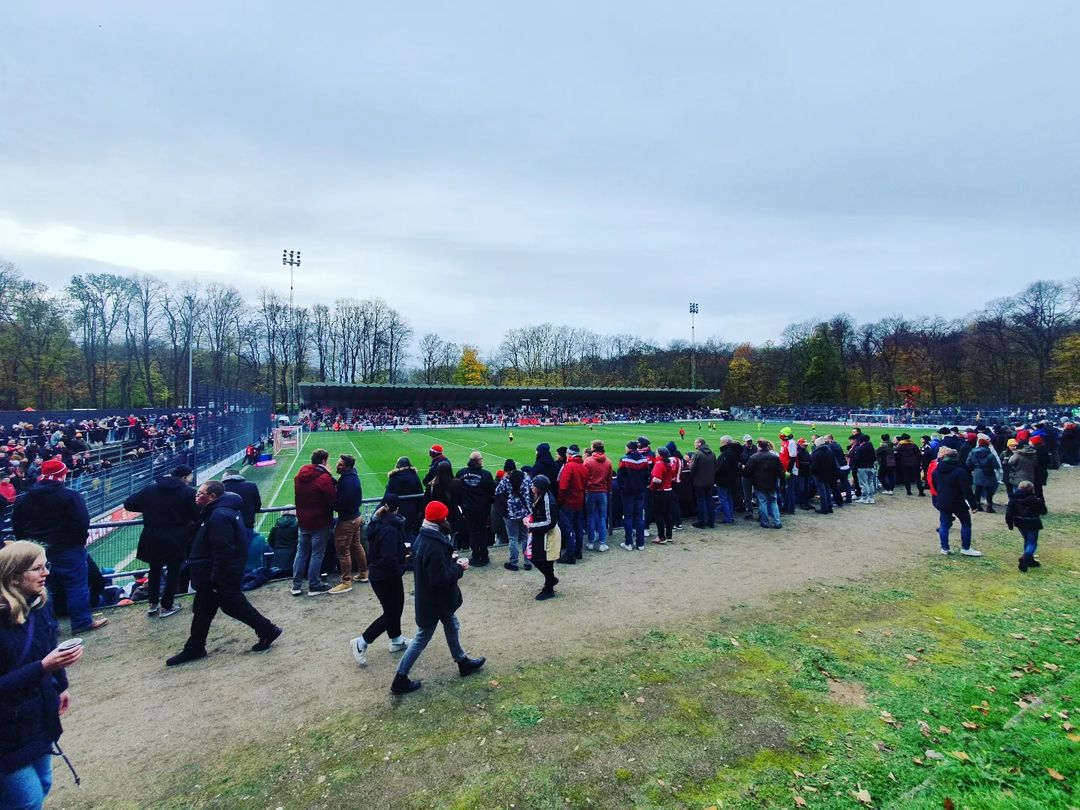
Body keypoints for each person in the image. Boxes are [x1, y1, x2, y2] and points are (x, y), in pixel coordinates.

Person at [0, 541, 82, 809]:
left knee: (43, 783)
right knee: (28, 800)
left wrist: (61, 686)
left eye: (46, 565)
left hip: (37, 716)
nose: (46, 573)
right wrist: (42, 668)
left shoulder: (39, 606)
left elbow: (48, 648)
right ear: (13, 577)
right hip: (6, 734)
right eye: (37, 568)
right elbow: (42, 662)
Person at [166, 481, 282, 666]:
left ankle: (267, 629)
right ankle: (195, 646)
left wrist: (216, 576)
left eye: (200, 494)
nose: (196, 496)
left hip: (219, 572)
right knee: (204, 609)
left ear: (212, 496)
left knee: (232, 605)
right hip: (215, 571)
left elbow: (223, 549)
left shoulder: (219, 515)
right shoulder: (221, 511)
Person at [391, 501, 485, 695]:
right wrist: (459, 567)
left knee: (452, 625)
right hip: (434, 600)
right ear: (441, 519)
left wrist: (450, 561)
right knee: (422, 637)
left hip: (433, 598)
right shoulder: (432, 543)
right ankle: (400, 678)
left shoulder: (424, 537)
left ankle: (462, 661)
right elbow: (439, 578)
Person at [11, 459, 106, 635]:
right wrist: (77, 542)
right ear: (61, 475)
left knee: (44, 589)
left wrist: (30, 547)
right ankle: (81, 622)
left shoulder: (24, 499)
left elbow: (18, 526)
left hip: (37, 552)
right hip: (67, 549)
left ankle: (49, 627)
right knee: (76, 585)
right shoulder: (69, 496)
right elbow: (81, 522)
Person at [123, 464, 198, 618]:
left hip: (152, 535)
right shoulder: (188, 492)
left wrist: (150, 509)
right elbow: (196, 514)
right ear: (184, 477)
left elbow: (129, 503)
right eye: (190, 476)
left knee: (154, 570)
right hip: (176, 537)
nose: (191, 479)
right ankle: (167, 605)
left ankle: (152, 604)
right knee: (173, 571)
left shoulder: (151, 489)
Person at [349, 495, 411, 665]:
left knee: (394, 608)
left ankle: (396, 639)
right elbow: (389, 557)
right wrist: (401, 567)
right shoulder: (389, 529)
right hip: (386, 575)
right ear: (396, 509)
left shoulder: (376, 524)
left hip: (381, 574)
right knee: (392, 612)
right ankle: (362, 642)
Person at [291, 449, 337, 597]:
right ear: (324, 461)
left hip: (303, 520)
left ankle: (296, 585)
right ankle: (314, 584)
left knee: (301, 552)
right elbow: (332, 499)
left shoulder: (299, 476)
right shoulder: (324, 478)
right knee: (317, 554)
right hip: (320, 521)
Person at [930, 447, 982, 557]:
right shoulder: (960, 472)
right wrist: (973, 505)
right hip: (957, 501)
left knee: (944, 524)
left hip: (943, 500)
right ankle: (966, 548)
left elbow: (934, 485)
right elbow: (967, 490)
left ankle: (944, 548)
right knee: (966, 523)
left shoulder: (936, 471)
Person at [329, 454, 367, 594]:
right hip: (355, 517)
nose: (337, 466)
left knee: (343, 551)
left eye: (340, 464)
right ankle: (363, 573)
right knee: (356, 546)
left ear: (348, 467)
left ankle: (346, 582)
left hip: (347, 520)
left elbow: (343, 502)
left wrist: (332, 505)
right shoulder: (350, 477)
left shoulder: (348, 481)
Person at [456, 452, 496, 567]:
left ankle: (475, 556)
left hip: (468, 509)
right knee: (482, 532)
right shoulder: (486, 474)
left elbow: (457, 490)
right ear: (478, 461)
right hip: (482, 509)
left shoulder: (461, 473)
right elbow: (492, 491)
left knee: (473, 532)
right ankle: (483, 556)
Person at [525, 475, 560, 600]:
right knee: (538, 558)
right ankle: (550, 581)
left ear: (539, 487)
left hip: (547, 535)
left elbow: (550, 522)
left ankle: (549, 585)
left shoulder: (548, 500)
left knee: (543, 560)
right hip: (540, 533)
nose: (531, 487)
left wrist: (531, 525)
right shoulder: (540, 496)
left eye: (534, 485)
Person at [495, 460, 533, 571]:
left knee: (513, 538)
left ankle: (514, 562)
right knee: (525, 537)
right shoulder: (525, 477)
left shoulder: (506, 480)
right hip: (525, 511)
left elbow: (497, 492)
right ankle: (527, 562)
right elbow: (531, 490)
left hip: (511, 513)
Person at [1005, 480, 1047, 572]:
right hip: (1033, 522)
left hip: (1020, 522)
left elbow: (1009, 513)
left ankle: (1029, 560)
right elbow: (1044, 511)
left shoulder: (1013, 499)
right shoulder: (1036, 499)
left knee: (1027, 540)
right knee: (1032, 543)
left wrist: (1010, 524)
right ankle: (1025, 558)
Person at [743, 440, 784, 530]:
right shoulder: (774, 457)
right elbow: (780, 471)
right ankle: (777, 521)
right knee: (773, 502)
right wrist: (782, 482)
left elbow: (747, 472)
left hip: (759, 484)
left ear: (759, 446)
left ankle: (764, 522)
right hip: (772, 483)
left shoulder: (754, 457)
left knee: (762, 502)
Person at [616, 440, 649, 550]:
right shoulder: (644, 460)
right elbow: (647, 476)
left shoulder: (624, 459)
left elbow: (620, 476)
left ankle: (628, 542)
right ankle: (640, 543)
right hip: (639, 491)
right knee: (639, 517)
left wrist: (623, 487)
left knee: (628, 517)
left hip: (628, 492)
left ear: (629, 448)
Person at [556, 445, 587, 563]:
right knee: (578, 527)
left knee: (568, 528)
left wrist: (560, 501)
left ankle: (570, 554)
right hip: (579, 500)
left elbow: (563, 486)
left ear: (569, 454)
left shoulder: (569, 466)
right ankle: (578, 551)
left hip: (569, 501)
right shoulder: (582, 466)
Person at [583, 440, 613, 551]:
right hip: (602, 491)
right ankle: (602, 543)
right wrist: (608, 490)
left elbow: (584, 477)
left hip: (590, 491)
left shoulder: (587, 461)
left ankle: (591, 542)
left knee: (590, 517)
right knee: (602, 517)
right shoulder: (608, 462)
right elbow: (609, 479)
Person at [385, 456, 424, 536]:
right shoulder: (414, 476)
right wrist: (420, 510)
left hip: (397, 510)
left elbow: (388, 496)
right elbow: (420, 494)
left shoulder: (394, 478)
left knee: (398, 532)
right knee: (409, 532)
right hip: (412, 510)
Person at [966, 436, 1002, 513]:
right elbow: (996, 465)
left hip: (977, 472)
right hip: (989, 473)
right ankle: (989, 507)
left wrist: (974, 468)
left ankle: (978, 505)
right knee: (988, 490)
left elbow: (968, 463)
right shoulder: (990, 454)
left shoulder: (972, 453)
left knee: (978, 489)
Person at [221, 468, 262, 535]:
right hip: (247, 523)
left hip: (227, 524)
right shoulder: (251, 485)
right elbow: (258, 505)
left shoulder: (221, 488)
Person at [689, 437, 717, 528]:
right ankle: (711, 521)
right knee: (709, 501)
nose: (694, 444)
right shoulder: (712, 454)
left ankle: (702, 521)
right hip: (710, 481)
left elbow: (692, 468)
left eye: (695, 442)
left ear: (699, 444)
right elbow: (715, 467)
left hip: (699, 481)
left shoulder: (698, 454)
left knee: (701, 501)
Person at [809, 437, 839, 513]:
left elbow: (814, 466)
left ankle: (824, 508)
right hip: (828, 474)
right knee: (827, 490)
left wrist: (811, 472)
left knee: (822, 491)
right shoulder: (830, 451)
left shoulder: (816, 453)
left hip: (818, 475)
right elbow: (834, 464)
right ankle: (829, 507)